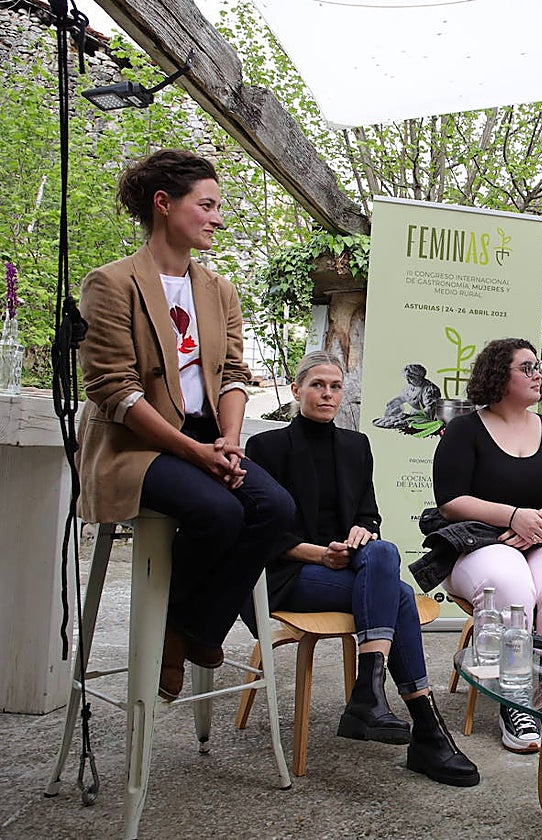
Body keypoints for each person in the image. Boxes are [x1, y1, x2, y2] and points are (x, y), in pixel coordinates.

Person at [76, 149, 295, 701]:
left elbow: (235, 374)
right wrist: (193, 453)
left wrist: (226, 439)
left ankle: (189, 629)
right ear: (163, 204)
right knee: (218, 510)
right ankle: (186, 633)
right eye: (207, 205)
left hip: (205, 436)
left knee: (275, 509)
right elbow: (112, 390)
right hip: (137, 446)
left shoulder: (219, 290)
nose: (217, 217)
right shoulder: (111, 283)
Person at [246, 352, 478, 787]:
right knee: (401, 595)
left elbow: (369, 515)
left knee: (381, 548)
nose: (327, 394)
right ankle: (420, 726)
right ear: (297, 391)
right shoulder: (266, 447)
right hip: (292, 573)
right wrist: (319, 554)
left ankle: (371, 695)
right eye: (317, 385)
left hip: (352, 568)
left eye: (335, 386)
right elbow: (261, 531)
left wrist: (359, 531)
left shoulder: (356, 446)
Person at [428, 338, 542, 754]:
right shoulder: (465, 430)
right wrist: (511, 516)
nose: (537, 373)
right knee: (509, 582)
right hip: (481, 541)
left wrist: (537, 521)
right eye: (527, 367)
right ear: (498, 376)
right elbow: (450, 500)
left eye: (537, 366)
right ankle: (516, 695)